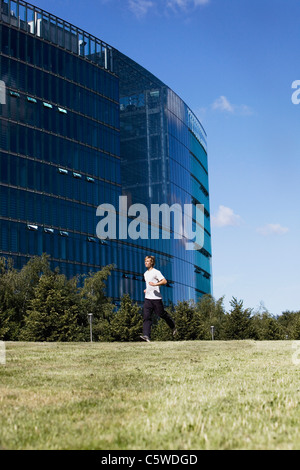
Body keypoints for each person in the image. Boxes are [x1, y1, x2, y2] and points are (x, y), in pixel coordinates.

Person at [140, 255, 177, 342]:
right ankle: (146, 336)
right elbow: (149, 284)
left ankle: (173, 326)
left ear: (152, 262)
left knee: (161, 314)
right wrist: (147, 289)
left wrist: (155, 285)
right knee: (146, 317)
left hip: (156, 299)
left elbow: (164, 281)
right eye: (145, 261)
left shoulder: (156, 272)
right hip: (148, 298)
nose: (146, 262)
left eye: (148, 261)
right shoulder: (145, 274)